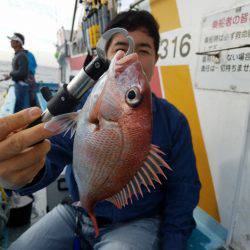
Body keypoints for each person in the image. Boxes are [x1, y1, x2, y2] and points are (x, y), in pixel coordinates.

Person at [2, 10, 200, 250]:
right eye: (121, 47)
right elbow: (50, 158)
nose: (132, 56)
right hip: (76, 211)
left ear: (156, 58)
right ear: (105, 56)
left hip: (135, 222)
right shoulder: (80, 108)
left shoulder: (174, 122)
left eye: (144, 50)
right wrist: (23, 172)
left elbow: (183, 192)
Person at [4, 33, 36, 112]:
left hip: (22, 86)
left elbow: (22, 73)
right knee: (21, 107)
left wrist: (11, 74)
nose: (10, 41)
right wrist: (10, 75)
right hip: (21, 85)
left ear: (19, 43)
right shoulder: (19, 54)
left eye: (13, 40)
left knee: (21, 108)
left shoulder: (21, 55)